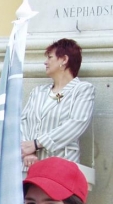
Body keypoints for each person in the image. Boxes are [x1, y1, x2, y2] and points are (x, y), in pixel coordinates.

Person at [21, 38, 95, 169]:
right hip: (29, 165)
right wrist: (28, 150)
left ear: (64, 60)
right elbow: (23, 121)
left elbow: (77, 123)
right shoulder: (38, 91)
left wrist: (37, 143)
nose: (45, 62)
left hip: (60, 164)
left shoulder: (82, 90)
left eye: (50, 57)